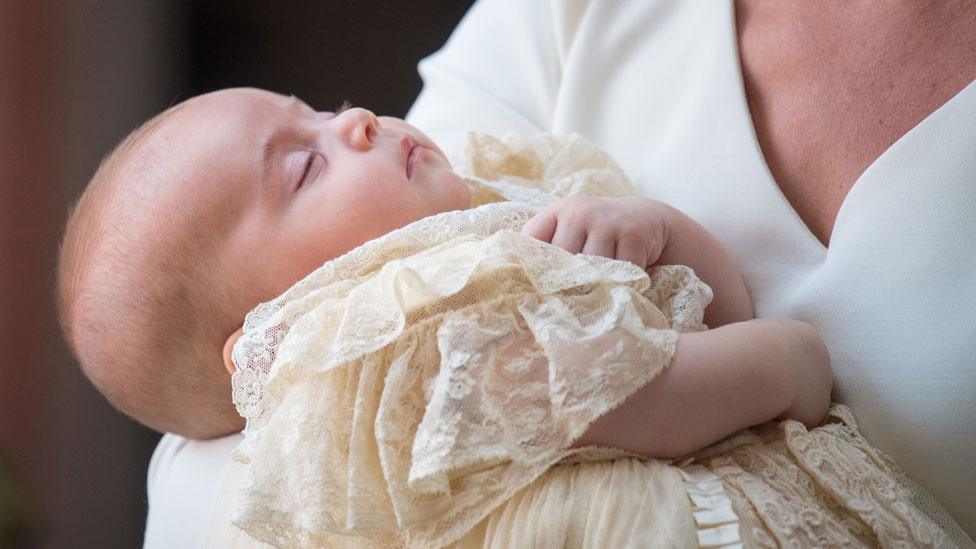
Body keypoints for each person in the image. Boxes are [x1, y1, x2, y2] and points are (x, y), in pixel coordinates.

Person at [139, 0, 976, 544]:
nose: (353, 121)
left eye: (319, 114)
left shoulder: (493, 199)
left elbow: (712, 309)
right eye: (303, 168)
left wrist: (660, 231)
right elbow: (624, 398)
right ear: (266, 338)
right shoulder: (388, 342)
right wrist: (783, 361)